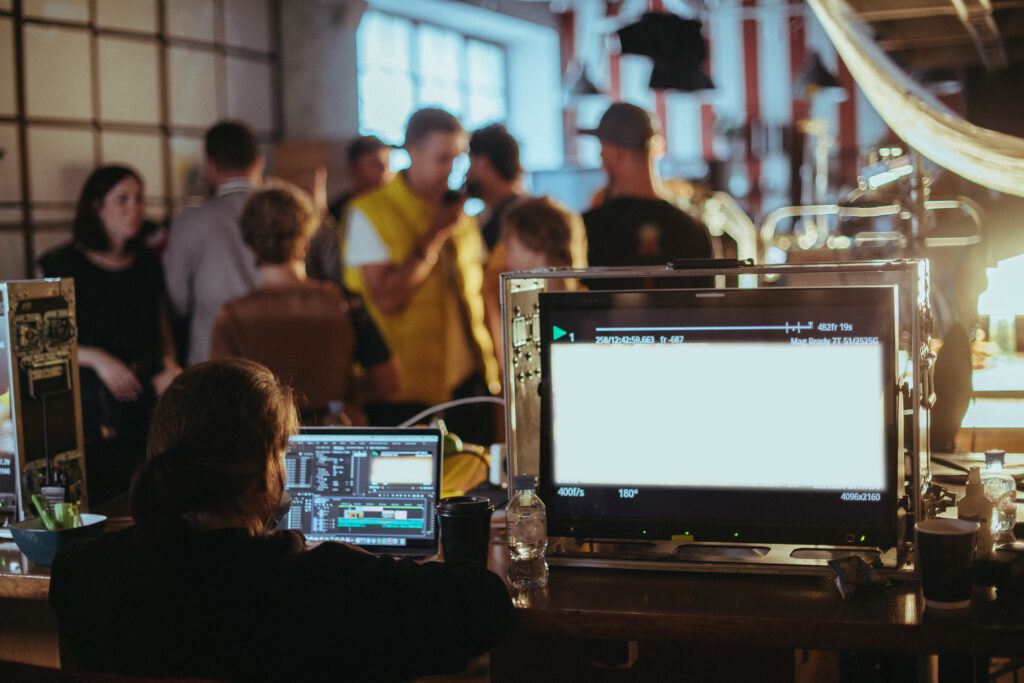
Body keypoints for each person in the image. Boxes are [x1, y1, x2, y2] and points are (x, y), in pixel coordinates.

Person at [49, 359, 512, 681]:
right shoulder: (329, 585)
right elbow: (486, 609)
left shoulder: (80, 573)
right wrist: (356, 564)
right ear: (269, 472)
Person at [344, 108, 499, 443]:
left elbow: (481, 294)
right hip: (404, 393)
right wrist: (433, 236)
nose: (454, 171)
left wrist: (500, 367)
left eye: (459, 159)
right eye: (443, 158)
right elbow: (386, 299)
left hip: (471, 382)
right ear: (412, 153)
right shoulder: (369, 213)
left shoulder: (459, 211)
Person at [38, 165, 181, 503]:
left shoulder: (147, 263)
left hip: (146, 397)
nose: (135, 208)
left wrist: (171, 365)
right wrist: (97, 359)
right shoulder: (62, 264)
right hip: (88, 405)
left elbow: (162, 329)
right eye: (122, 200)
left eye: (138, 199)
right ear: (96, 207)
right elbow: (41, 345)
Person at [210, 183, 399, 424]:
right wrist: (344, 391)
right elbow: (389, 381)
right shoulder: (345, 303)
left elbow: (219, 399)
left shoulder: (232, 316)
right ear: (306, 242)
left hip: (265, 445)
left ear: (250, 247)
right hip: (336, 438)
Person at [163, 120, 264, 367]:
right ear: (259, 162)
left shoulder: (188, 223)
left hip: (214, 360)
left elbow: (177, 301)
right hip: (280, 353)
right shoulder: (290, 213)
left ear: (211, 167)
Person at [580, 102, 713, 289]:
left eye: (602, 148)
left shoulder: (588, 228)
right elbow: (707, 309)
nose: (600, 157)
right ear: (656, 148)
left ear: (615, 152)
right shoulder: (693, 229)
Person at [306, 136, 395, 287]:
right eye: (375, 164)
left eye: (387, 164)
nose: (384, 171)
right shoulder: (338, 210)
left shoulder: (393, 209)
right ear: (353, 168)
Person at [466, 123, 525, 252]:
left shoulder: (525, 221)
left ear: (483, 163)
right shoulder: (486, 216)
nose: (466, 174)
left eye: (470, 163)